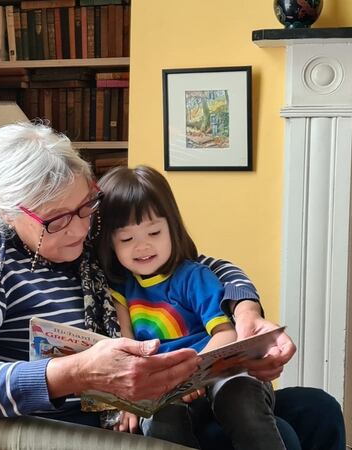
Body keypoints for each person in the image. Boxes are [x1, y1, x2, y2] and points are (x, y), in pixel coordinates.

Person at [0, 123, 344, 450]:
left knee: (318, 409)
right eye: (57, 221)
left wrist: (247, 313)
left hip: (151, 398)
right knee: (282, 432)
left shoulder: (87, 229)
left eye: (85, 208)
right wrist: (78, 373)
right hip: (74, 423)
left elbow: (197, 265)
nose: (80, 229)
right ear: (7, 212)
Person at [96, 165, 286, 450]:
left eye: (154, 232)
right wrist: (128, 401)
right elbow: (126, 346)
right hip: (166, 386)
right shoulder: (120, 287)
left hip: (218, 369)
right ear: (110, 243)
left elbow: (226, 334)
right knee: (162, 417)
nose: (143, 246)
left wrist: (192, 374)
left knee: (239, 397)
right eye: (127, 239)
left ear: (172, 228)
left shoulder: (195, 276)